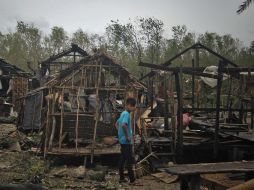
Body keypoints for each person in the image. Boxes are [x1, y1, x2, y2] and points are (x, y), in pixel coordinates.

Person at [117, 97, 136, 184]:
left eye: (134, 106)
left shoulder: (122, 113)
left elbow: (117, 124)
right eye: (132, 106)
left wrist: (120, 134)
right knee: (129, 161)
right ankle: (132, 180)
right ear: (128, 105)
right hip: (126, 141)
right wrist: (127, 136)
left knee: (122, 159)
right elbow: (124, 125)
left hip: (122, 141)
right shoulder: (126, 114)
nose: (134, 108)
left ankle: (121, 178)